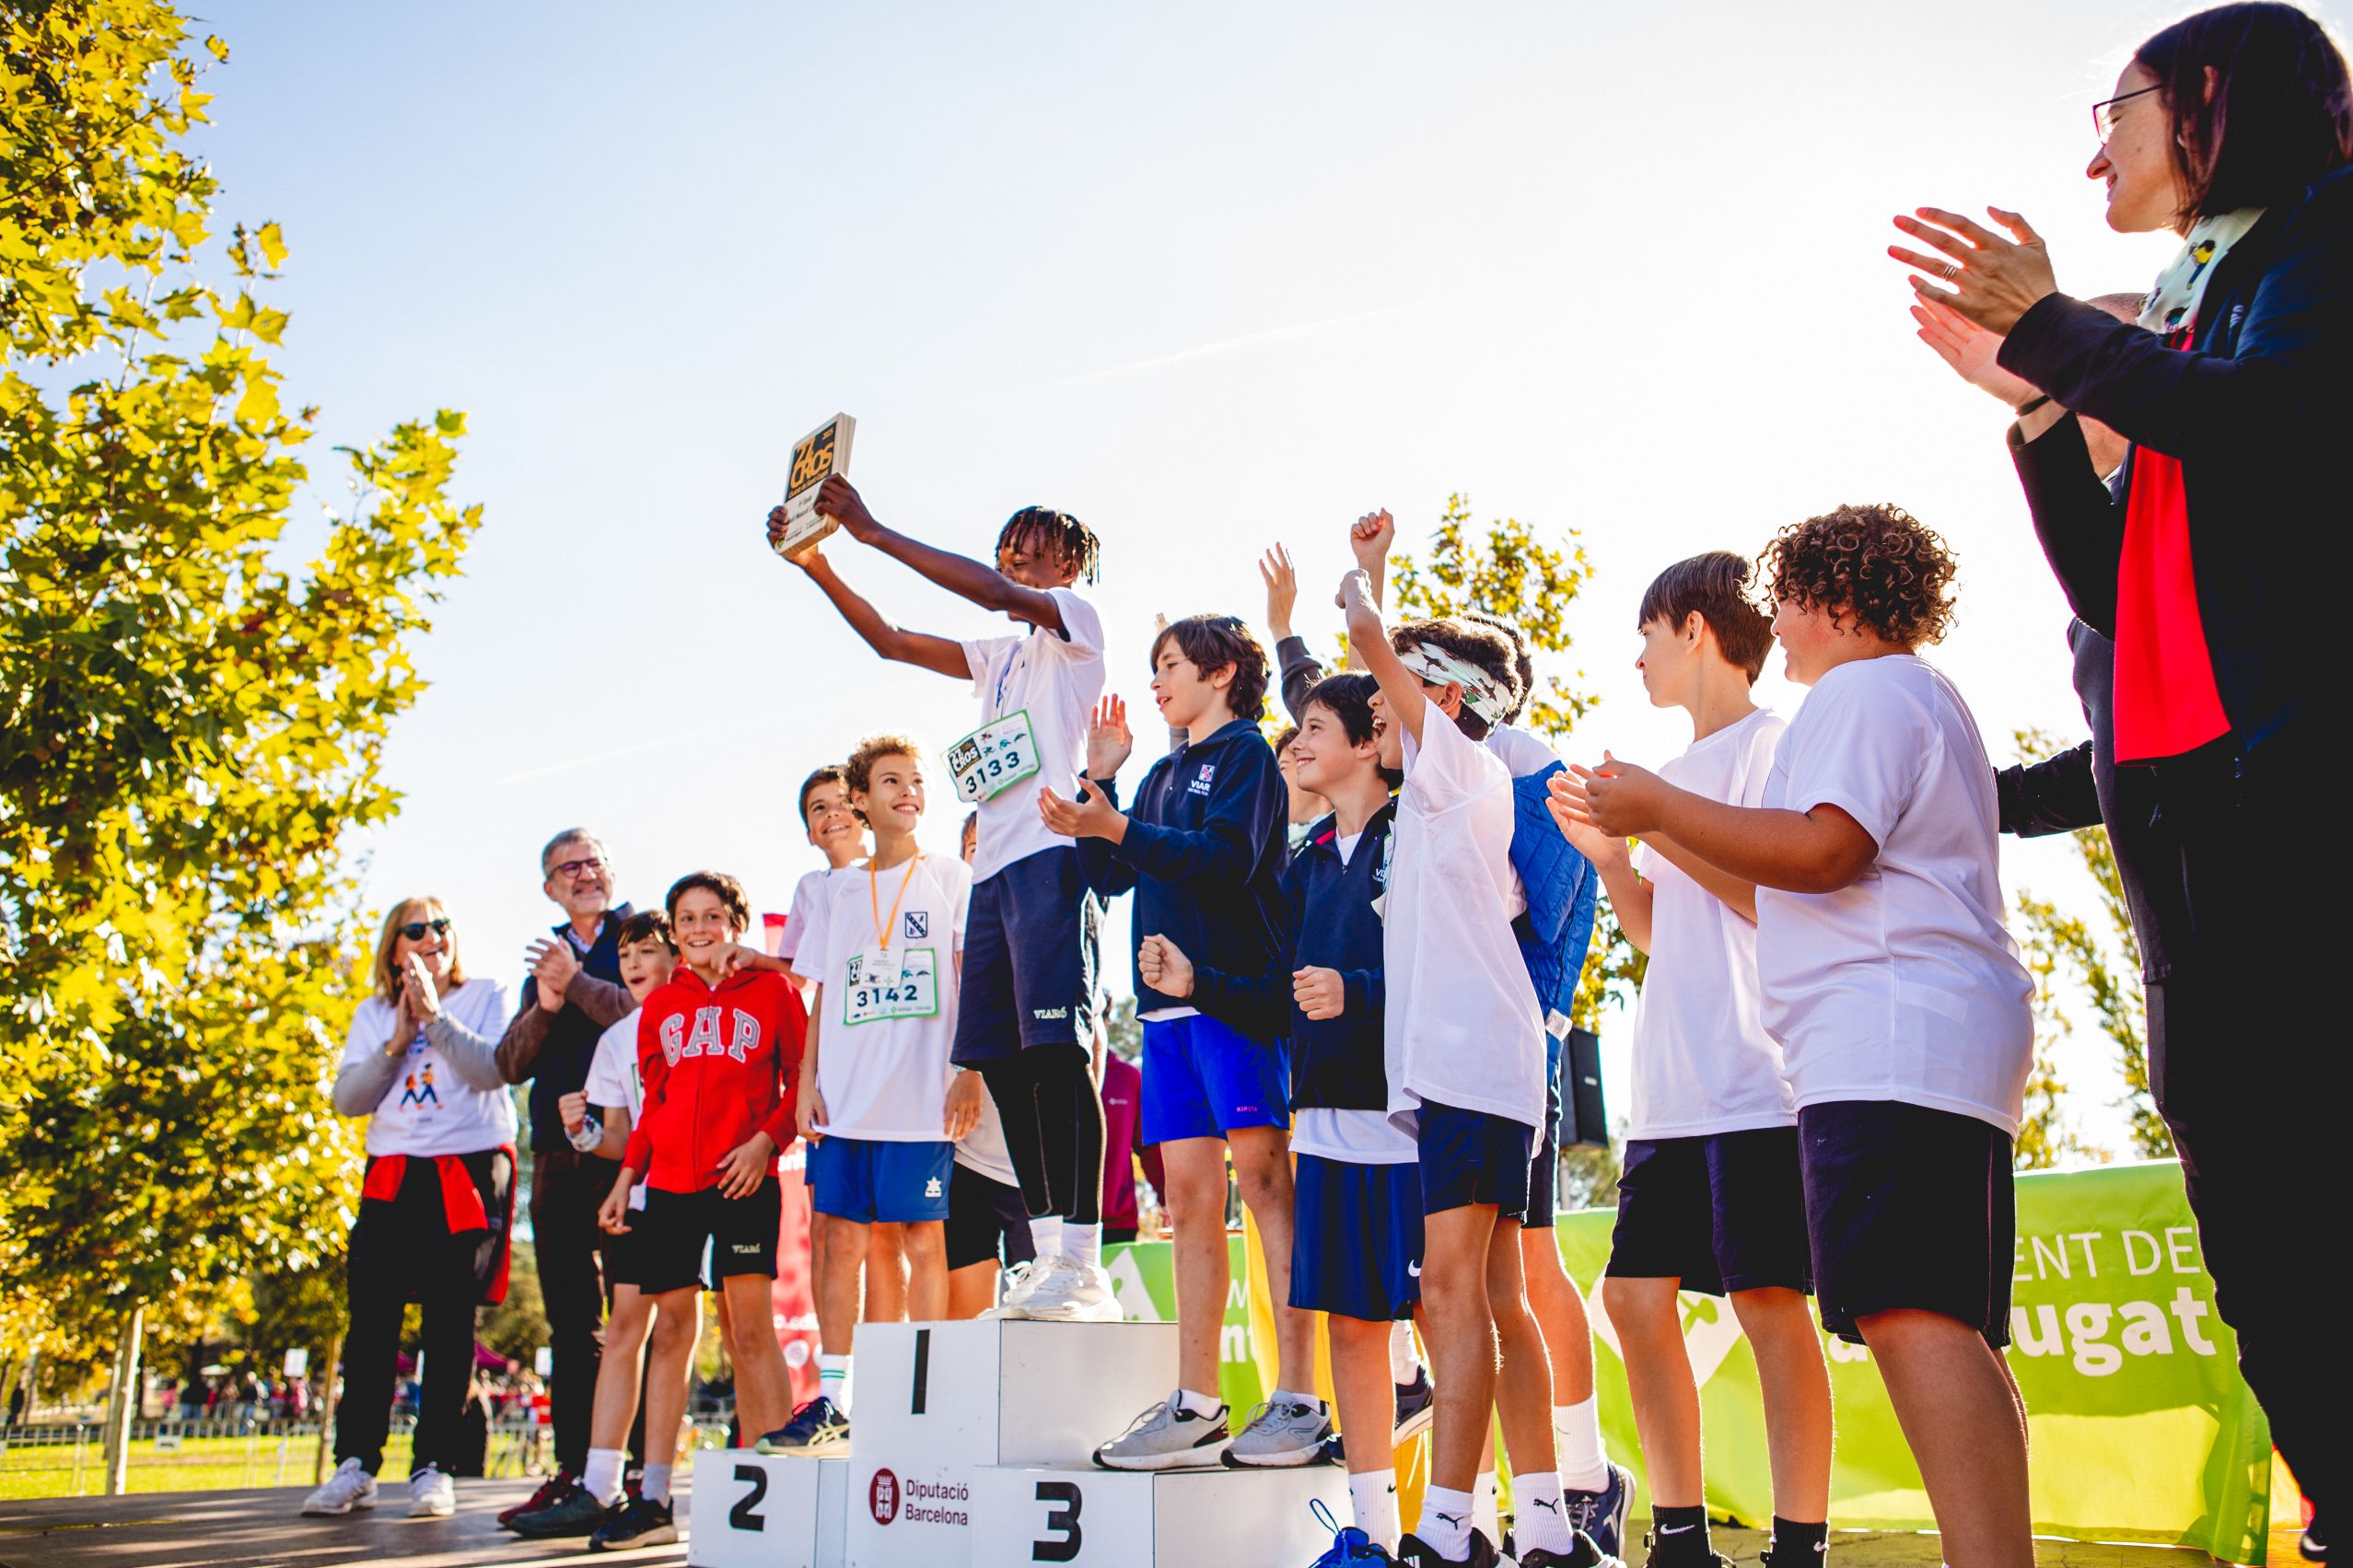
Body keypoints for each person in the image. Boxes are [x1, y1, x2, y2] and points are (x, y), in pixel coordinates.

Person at [1890, 13, 2349, 1547]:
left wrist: (2066, 334)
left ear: (2212, 101)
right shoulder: (2190, 301)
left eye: (2120, 110)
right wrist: (2034, 399)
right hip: (2189, 847)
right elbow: (2117, 579)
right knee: (2268, 1260)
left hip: (2301, 827)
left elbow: (2280, 434)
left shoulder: (2326, 242)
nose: (2096, 147)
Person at [1556, 505, 2035, 1568]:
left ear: (1834, 595)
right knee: (1937, 1319)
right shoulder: (1911, 693)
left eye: (1785, 595)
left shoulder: (1864, 691)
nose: (1773, 618)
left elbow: (1824, 853)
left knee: (1914, 1316)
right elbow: (1783, 885)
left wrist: (1660, 810)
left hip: (1889, 1037)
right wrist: (1632, 841)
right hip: (1913, 1037)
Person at [771, 479, 1113, 1323]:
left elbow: (996, 594)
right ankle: (1041, 1254)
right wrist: (819, 560)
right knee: (1004, 1060)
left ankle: (1083, 1255)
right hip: (992, 872)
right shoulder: (995, 661)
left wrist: (873, 530)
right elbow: (889, 640)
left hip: (1048, 858)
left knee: (1057, 1057)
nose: (1014, 558)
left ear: (1067, 562)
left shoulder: (1074, 628)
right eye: (1007, 545)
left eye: (1033, 546)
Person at [1549, 553, 1832, 1568]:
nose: (1635, 655)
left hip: (1756, 1078)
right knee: (1631, 1296)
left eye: (1648, 633)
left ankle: (1799, 1541)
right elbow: (1661, 931)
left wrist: (1658, 812)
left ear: (1696, 630)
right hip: (1667, 1092)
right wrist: (1612, 854)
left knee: (1765, 1299)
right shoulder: (1667, 779)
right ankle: (1676, 1535)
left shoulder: (1776, 747)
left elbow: (1774, 899)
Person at [1338, 560, 1596, 1568]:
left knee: (1447, 1293)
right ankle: (1540, 1520)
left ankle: (1446, 1525)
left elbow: (1366, 643)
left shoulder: (1454, 766)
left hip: (1473, 1072)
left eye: (1395, 690)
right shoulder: (1438, 790)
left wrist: (1362, 588)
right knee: (1493, 1297)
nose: (1373, 707)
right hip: (1482, 1072)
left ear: (1443, 698)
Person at [1145, 671, 1418, 1558]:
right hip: (1328, 1120)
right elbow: (1275, 996)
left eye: (1310, 729)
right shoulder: (1304, 867)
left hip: (1412, 1119)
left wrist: (1360, 990)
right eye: (1292, 732)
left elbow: (1450, 967)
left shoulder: (1413, 838)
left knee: (1447, 1320)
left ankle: (1469, 1521)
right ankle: (1370, 1533)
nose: (1292, 745)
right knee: (1354, 1330)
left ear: (1368, 742)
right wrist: (1198, 987)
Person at [1047, 619, 1323, 1470]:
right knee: (1190, 1202)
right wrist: (1103, 780)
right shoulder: (1162, 771)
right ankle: (1197, 1402)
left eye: (1170, 664)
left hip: (1234, 1002)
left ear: (1222, 670)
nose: (1158, 678)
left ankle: (1300, 1399)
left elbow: (1224, 859)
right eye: (1155, 665)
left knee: (1267, 1189)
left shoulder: (1243, 755)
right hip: (1164, 1019)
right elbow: (1106, 875)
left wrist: (1114, 825)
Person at [764, 738, 981, 1455]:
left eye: (917, 780)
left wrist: (969, 1067)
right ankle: (833, 1397)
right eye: (891, 780)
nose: (909, 790)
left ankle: (922, 1389)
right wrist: (805, 1085)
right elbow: (823, 993)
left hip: (923, 1097)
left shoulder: (949, 874)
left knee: (924, 1238)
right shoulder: (839, 890)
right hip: (847, 1103)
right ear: (861, 798)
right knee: (839, 1246)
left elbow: (969, 975)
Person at [304, 900, 515, 1521]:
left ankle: (435, 1465)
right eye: (416, 930)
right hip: (394, 1169)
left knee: (450, 1321)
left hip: (466, 1166)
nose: (433, 938)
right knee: (371, 1318)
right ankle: (356, 1463)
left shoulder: (483, 993)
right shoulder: (371, 1013)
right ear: (394, 948)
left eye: (443, 926)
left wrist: (434, 1015)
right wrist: (398, 1039)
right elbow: (348, 1098)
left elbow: (490, 1070)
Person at [508, 912, 696, 1548]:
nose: (637, 962)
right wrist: (581, 1132)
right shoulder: (616, 1039)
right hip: (637, 1195)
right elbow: (616, 1138)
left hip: (692, 1196)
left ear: (678, 956)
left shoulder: (699, 1018)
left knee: (676, 1330)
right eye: (626, 954)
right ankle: (599, 1484)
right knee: (623, 1329)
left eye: (649, 949)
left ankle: (657, 1491)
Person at [604, 872, 808, 1451]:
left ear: (734, 924)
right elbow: (652, 1109)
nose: (699, 928)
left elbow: (803, 1081)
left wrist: (766, 1141)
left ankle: (772, 1465)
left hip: (744, 1180)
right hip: (669, 1186)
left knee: (748, 1327)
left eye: (711, 916)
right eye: (687, 918)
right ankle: (655, 1492)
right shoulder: (662, 1006)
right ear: (674, 929)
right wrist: (627, 1179)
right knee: (669, 1329)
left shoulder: (773, 993)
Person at [492, 831, 635, 1520]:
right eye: (566, 868)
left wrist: (573, 982)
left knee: (632, 1313)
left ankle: (631, 1475)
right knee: (569, 1323)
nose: (583, 875)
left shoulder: (640, 934)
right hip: (555, 1159)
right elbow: (509, 1063)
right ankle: (576, 1472)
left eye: (591, 861)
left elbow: (641, 1015)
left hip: (627, 1153)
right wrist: (547, 1003)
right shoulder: (541, 967)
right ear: (549, 887)